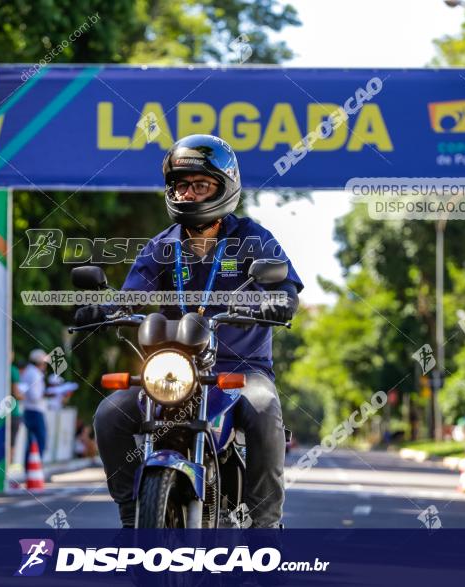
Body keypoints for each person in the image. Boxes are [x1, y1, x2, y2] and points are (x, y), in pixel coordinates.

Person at [75, 134, 303, 528]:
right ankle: (133, 515)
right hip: (171, 371)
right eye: (182, 184)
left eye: (201, 184)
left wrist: (278, 300)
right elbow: (131, 295)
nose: (189, 193)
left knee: (265, 410)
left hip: (239, 371)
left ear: (225, 187)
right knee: (110, 414)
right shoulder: (160, 247)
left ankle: (265, 528)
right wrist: (105, 307)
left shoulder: (253, 239)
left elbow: (285, 289)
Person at [19, 349, 51, 467]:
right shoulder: (35, 374)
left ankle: (30, 468)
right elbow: (34, 396)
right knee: (40, 441)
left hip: (30, 410)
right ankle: (35, 468)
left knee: (31, 442)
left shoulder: (28, 371)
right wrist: (48, 393)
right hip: (35, 411)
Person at [8, 351, 25, 467]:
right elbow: (16, 393)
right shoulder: (13, 370)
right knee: (11, 442)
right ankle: (9, 466)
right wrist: (24, 395)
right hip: (13, 412)